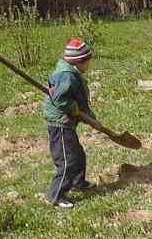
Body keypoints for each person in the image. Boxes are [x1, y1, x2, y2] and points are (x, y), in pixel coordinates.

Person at [43, 38, 99, 208]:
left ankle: (78, 183)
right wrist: (72, 107)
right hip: (60, 123)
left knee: (78, 155)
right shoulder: (66, 76)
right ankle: (55, 195)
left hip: (67, 122)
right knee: (68, 161)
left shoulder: (72, 73)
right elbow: (60, 99)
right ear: (78, 62)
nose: (89, 64)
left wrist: (92, 118)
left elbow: (80, 101)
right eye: (88, 61)